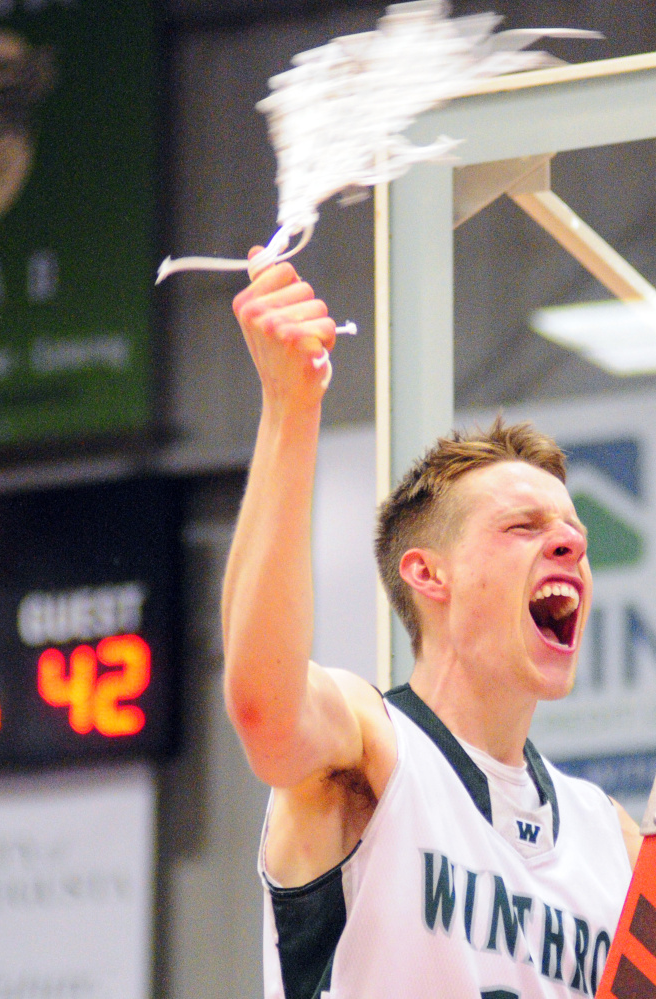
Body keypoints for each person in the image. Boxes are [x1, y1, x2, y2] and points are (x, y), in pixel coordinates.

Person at [222, 252, 642, 999]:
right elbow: (263, 705)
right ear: (427, 573)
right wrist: (291, 407)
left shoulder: (606, 833)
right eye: (522, 525)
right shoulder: (370, 747)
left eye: (574, 530)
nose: (571, 543)